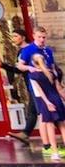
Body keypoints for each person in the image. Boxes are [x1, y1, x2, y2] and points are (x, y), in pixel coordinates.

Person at [18, 24, 65, 159]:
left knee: (53, 119)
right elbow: (20, 65)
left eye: (44, 37)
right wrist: (29, 68)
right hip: (37, 86)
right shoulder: (28, 50)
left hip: (49, 83)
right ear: (34, 36)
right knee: (44, 117)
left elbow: (51, 66)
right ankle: (47, 146)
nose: (42, 39)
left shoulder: (48, 51)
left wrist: (56, 81)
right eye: (40, 37)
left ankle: (50, 146)